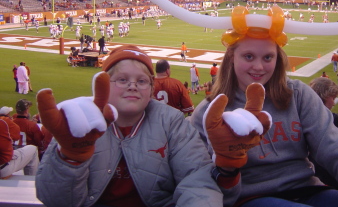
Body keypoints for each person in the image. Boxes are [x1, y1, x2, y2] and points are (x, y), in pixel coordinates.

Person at [190, 5, 338, 207]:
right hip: (251, 197)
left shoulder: (297, 94)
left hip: (306, 188)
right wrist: (228, 168)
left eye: (268, 57)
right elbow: (205, 186)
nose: (258, 66)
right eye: (248, 56)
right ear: (231, 58)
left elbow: (334, 149)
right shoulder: (210, 113)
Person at [35, 44, 222, 207]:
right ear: (103, 85)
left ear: (151, 90)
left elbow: (197, 180)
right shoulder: (80, 122)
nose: (132, 86)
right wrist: (71, 159)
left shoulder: (171, 121)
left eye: (142, 81)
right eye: (122, 80)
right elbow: (56, 201)